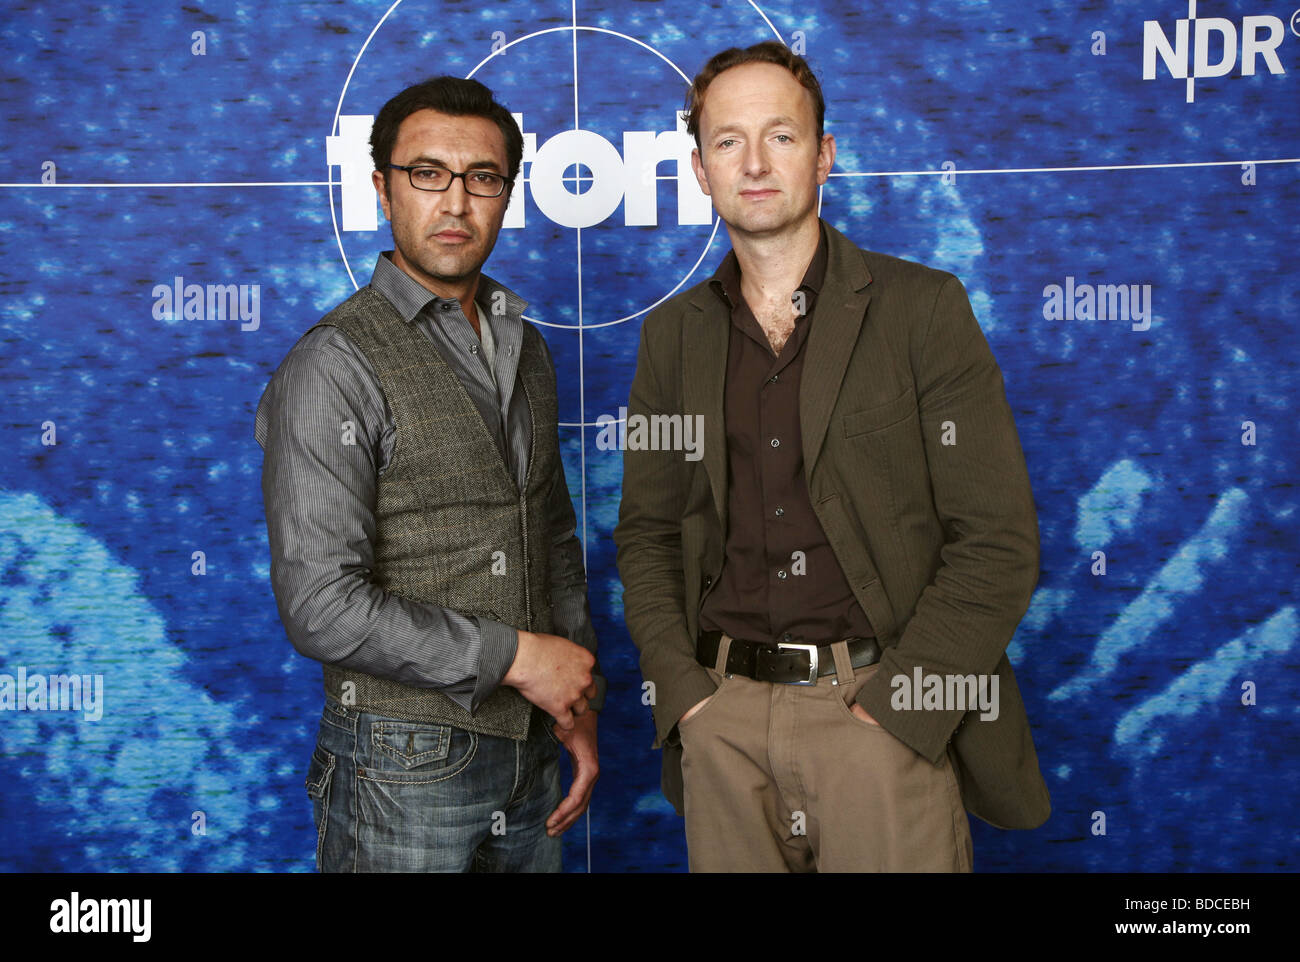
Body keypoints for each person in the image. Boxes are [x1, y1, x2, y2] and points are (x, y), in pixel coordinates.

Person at [614, 42, 1050, 872]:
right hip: (724, 724)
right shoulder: (671, 338)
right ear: (700, 169)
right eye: (726, 140)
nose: (753, 162)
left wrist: (898, 711)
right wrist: (686, 698)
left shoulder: (924, 310)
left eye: (781, 136)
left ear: (825, 157)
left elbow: (997, 544)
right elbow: (648, 532)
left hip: (880, 716)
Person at [255, 76, 601, 872]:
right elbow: (320, 606)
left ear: (508, 194)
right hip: (398, 764)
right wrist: (517, 658)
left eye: (482, 178)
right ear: (382, 187)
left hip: (530, 753)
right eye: (427, 174)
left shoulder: (527, 346)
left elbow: (550, 539)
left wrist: (576, 699)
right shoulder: (335, 363)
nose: (456, 202)